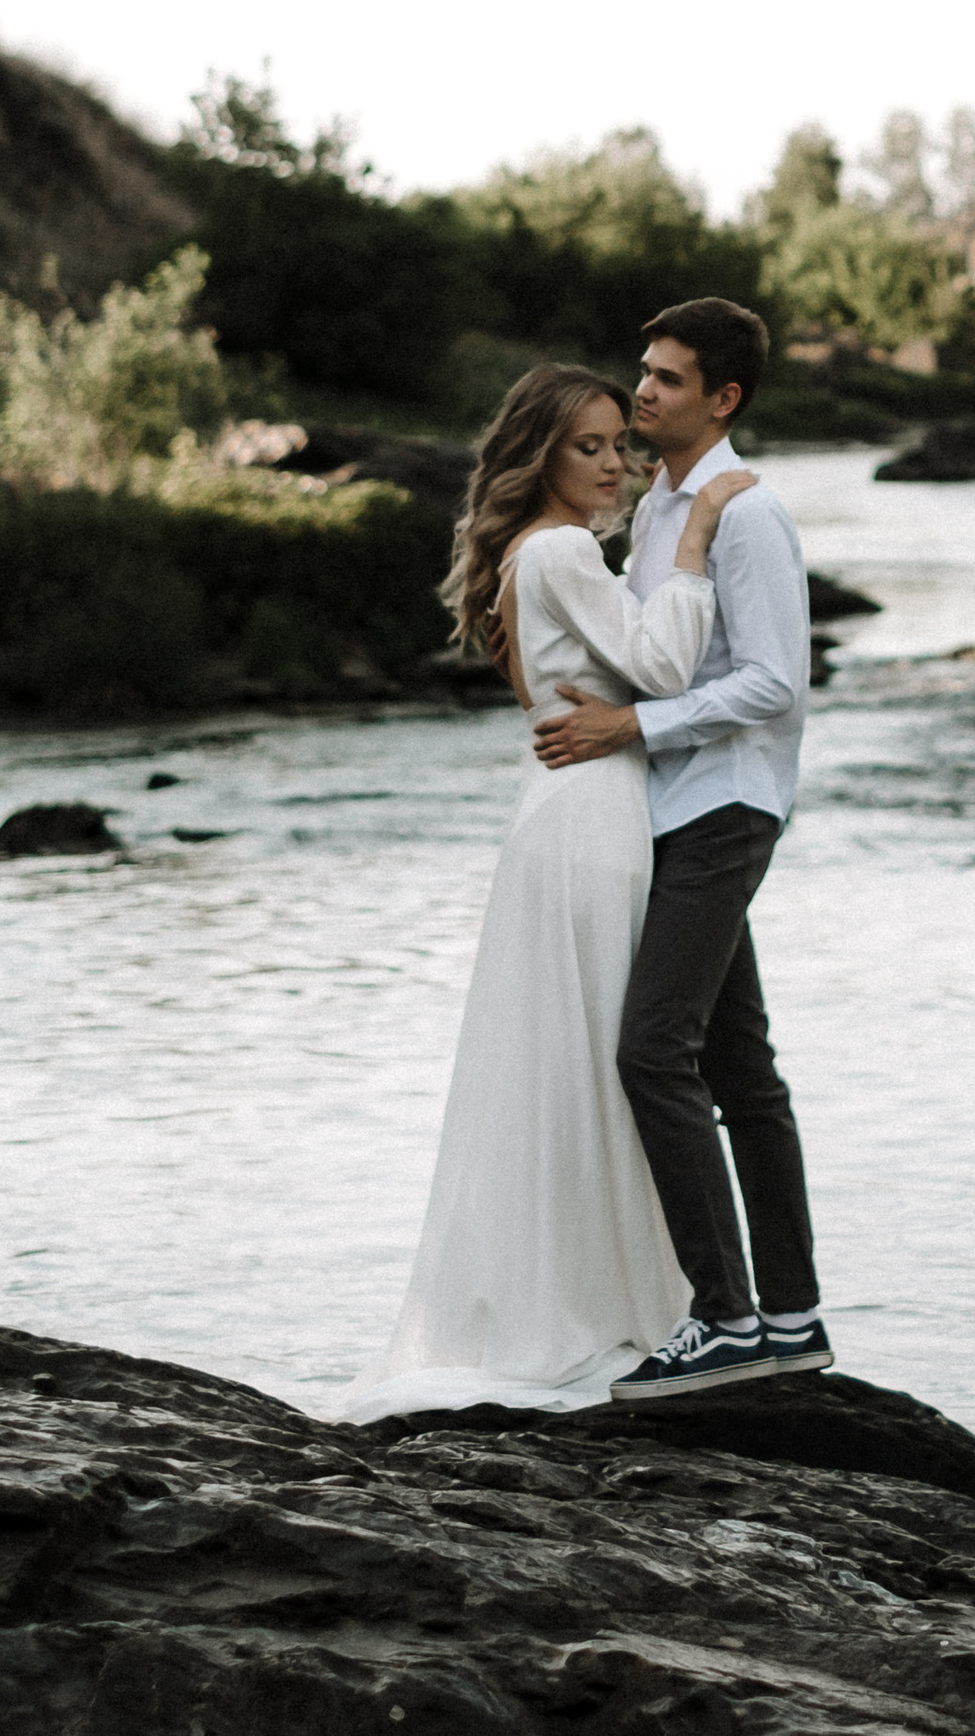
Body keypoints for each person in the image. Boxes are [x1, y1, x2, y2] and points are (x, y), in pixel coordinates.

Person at [342, 365, 755, 1418]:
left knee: (576, 1065)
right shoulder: (564, 550)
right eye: (589, 446)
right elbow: (664, 668)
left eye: (621, 442)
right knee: (616, 1067)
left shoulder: (535, 555)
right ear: (538, 454)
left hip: (559, 811)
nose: (614, 463)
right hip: (593, 818)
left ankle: (613, 1303)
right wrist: (698, 538)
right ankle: (639, 1314)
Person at [531, 297, 828, 1401]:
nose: (642, 391)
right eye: (642, 373)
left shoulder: (745, 514)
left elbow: (775, 681)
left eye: (667, 379)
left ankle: (724, 1317)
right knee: (739, 1066)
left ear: (724, 399)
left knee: (653, 1050)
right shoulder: (657, 510)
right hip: (669, 811)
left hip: (724, 805)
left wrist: (629, 728)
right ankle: (789, 1318)